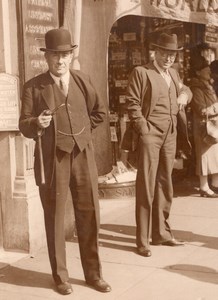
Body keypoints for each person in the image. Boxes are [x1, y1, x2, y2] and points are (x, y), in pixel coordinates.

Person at [19, 28, 111, 295]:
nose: (60, 61)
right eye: (55, 56)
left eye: (65, 55)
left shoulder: (82, 80)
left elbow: (99, 113)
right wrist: (37, 123)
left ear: (71, 56)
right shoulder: (34, 87)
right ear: (46, 58)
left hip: (82, 155)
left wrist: (81, 134)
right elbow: (23, 125)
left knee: (89, 214)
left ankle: (94, 274)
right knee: (55, 218)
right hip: (53, 160)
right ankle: (61, 277)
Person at [124, 33, 192, 257]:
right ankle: (142, 240)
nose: (168, 58)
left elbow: (186, 89)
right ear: (155, 52)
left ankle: (161, 233)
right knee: (146, 186)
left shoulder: (172, 73)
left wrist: (184, 95)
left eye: (172, 55)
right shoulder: (142, 72)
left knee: (165, 184)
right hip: (150, 134)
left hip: (170, 135)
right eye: (164, 53)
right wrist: (144, 129)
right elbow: (132, 103)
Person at [190, 55, 218, 197]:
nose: (209, 73)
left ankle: (215, 183)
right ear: (198, 72)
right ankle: (204, 186)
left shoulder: (207, 86)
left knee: (214, 156)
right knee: (204, 158)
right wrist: (216, 108)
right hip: (203, 128)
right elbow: (201, 109)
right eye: (206, 71)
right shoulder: (196, 88)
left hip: (212, 126)